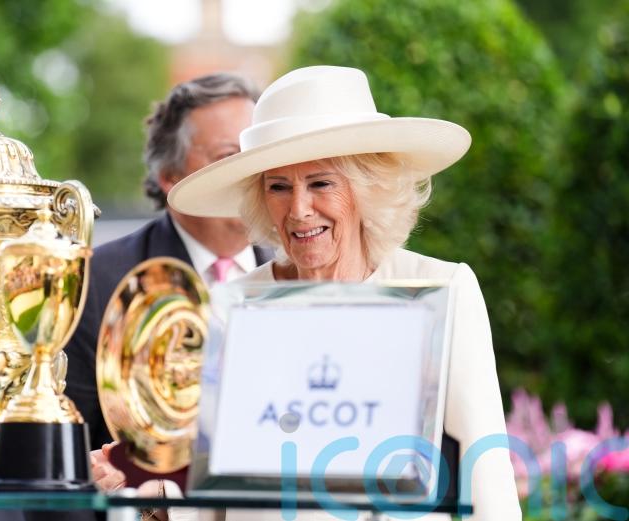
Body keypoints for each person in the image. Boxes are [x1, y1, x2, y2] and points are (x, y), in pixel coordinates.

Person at [167, 66, 521, 520]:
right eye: (278, 187)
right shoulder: (231, 307)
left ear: (366, 188)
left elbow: (485, 470)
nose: (298, 210)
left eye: (320, 183)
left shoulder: (443, 290)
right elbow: (209, 490)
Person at [64, 72, 273, 463]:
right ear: (169, 176)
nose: (251, 174)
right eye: (229, 157)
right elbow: (67, 460)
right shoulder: (95, 285)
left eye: (257, 154)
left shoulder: (298, 274)